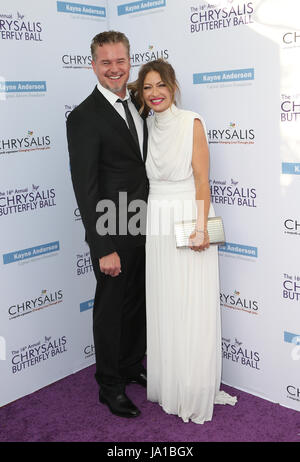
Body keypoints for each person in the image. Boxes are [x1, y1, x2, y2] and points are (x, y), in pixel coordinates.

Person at [130, 59, 237, 424]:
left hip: (188, 217)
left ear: (173, 87)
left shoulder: (191, 121)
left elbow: (203, 180)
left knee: (190, 300)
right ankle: (170, 382)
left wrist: (201, 227)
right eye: (147, 87)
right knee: (165, 301)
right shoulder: (145, 125)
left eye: (160, 85)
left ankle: (192, 387)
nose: (154, 93)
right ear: (141, 94)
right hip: (157, 219)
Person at [66, 31, 149, 418]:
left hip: (144, 224)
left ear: (129, 60)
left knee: (136, 304)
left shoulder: (137, 103)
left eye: (120, 61)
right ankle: (110, 385)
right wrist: (103, 247)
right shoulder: (83, 116)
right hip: (113, 230)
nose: (114, 69)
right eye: (106, 62)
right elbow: (86, 187)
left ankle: (131, 366)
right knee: (111, 309)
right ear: (93, 65)